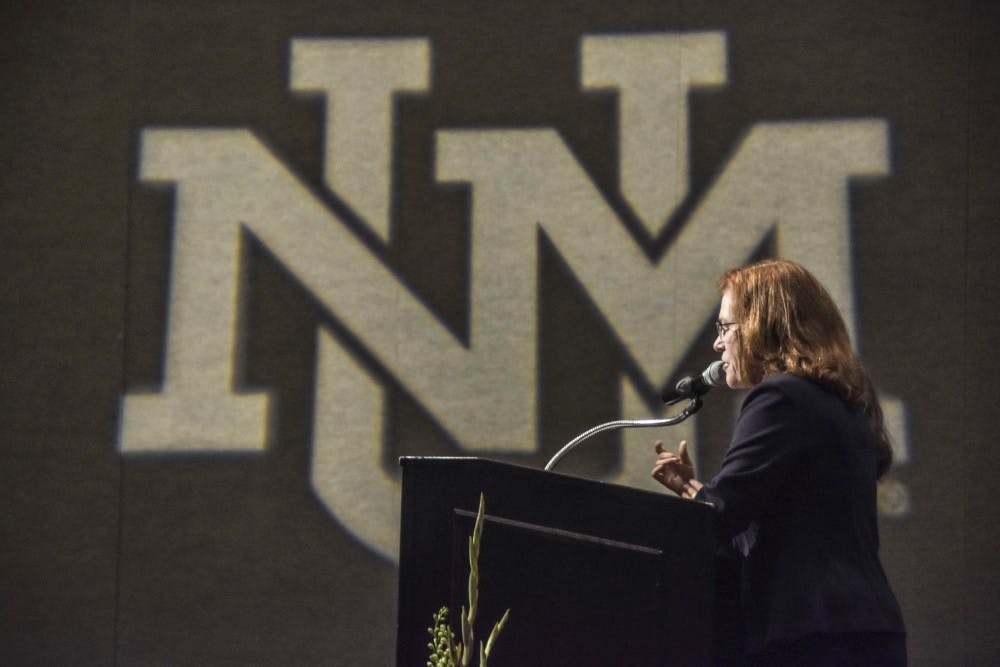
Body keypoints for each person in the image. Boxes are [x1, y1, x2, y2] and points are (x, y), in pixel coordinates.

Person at [651, 259, 906, 666]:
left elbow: (722, 514)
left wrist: (687, 489)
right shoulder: (842, 403)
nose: (718, 345)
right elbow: (782, 526)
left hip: (811, 634)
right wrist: (698, 491)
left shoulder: (779, 397)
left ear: (762, 326)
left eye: (724, 328)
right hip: (866, 629)